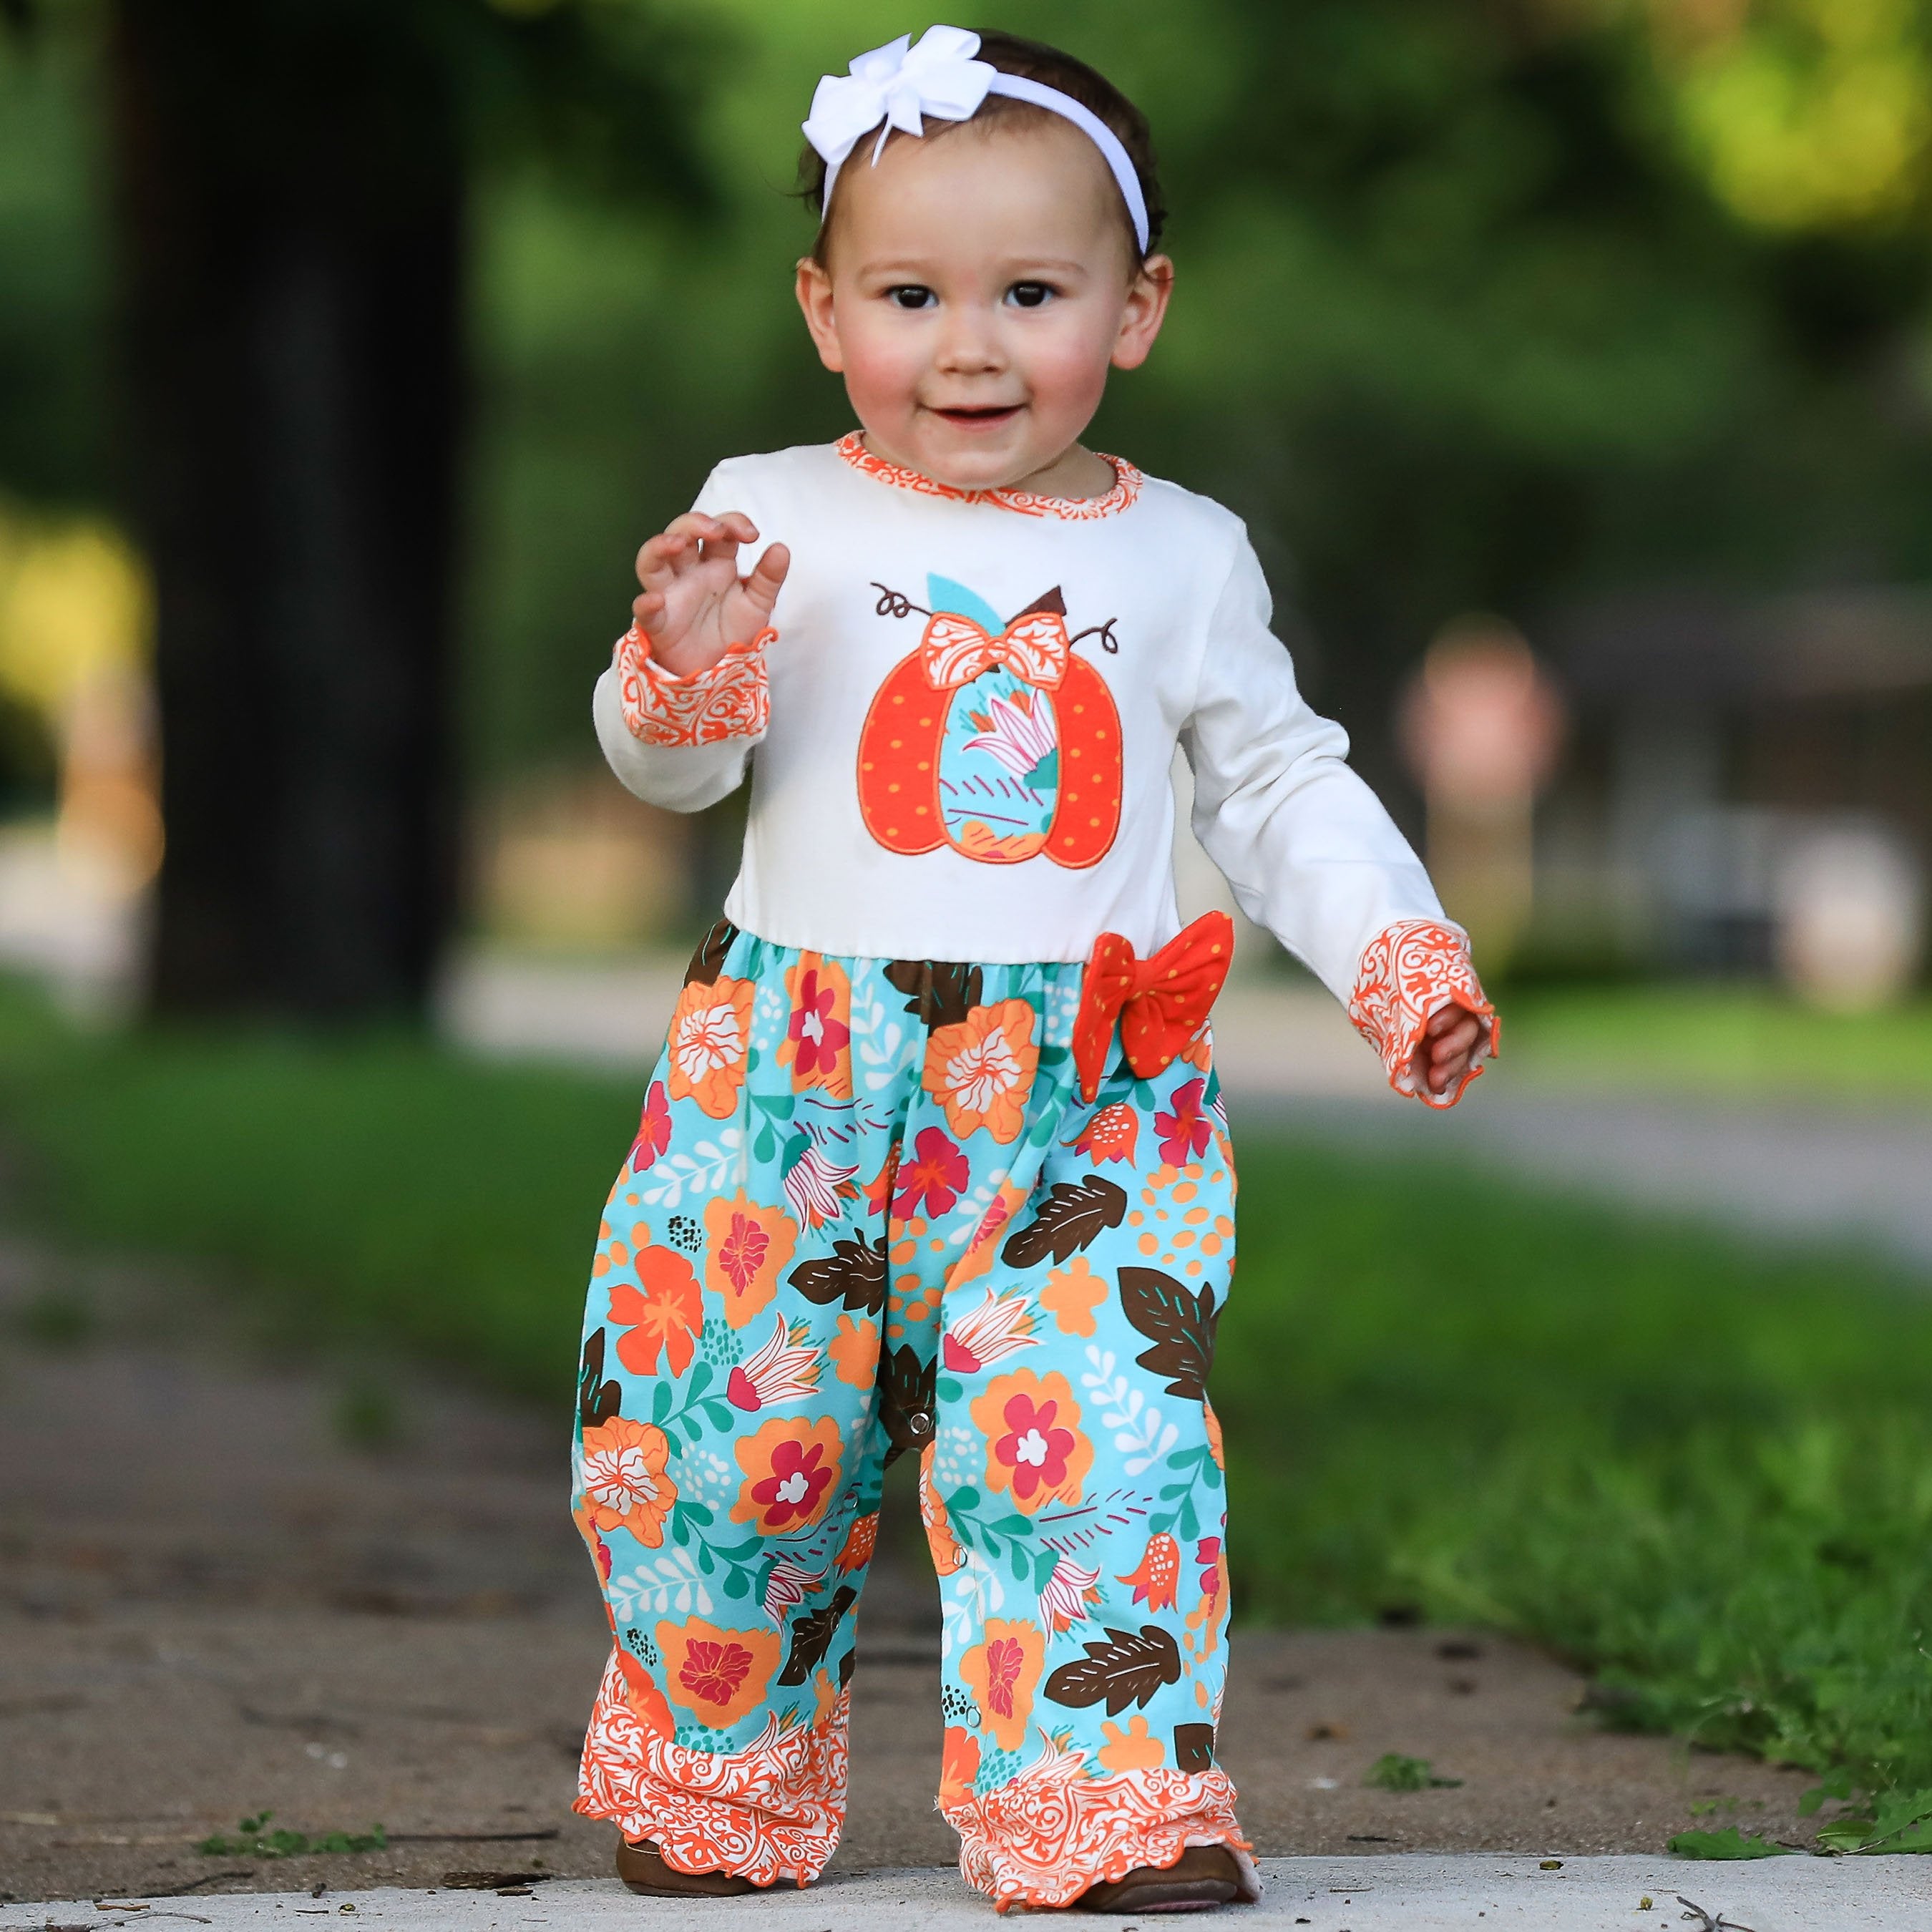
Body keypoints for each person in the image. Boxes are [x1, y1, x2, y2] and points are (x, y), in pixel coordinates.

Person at [567, 25, 1495, 1916]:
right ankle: (713, 1766)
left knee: (1101, 1445)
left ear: (1135, 309)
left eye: (1032, 294)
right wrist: (679, 665)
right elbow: (673, 773)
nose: (969, 347)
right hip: (786, 1085)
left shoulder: (1182, 554)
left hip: (1084, 1104)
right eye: (911, 296)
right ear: (823, 309)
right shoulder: (770, 510)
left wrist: (1394, 952)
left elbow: (1274, 779)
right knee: (719, 1429)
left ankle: (1102, 1797)